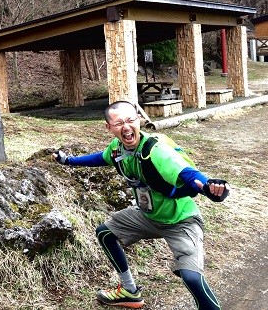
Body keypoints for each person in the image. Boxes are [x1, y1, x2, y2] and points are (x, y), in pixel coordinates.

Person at [52, 100, 229, 309]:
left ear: (139, 119)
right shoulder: (117, 149)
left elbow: (186, 173)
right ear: (108, 127)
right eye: (118, 124)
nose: (126, 127)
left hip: (181, 220)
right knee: (105, 233)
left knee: (191, 277)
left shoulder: (156, 150)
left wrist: (208, 186)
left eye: (130, 120)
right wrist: (69, 161)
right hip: (147, 216)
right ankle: (129, 291)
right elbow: (101, 157)